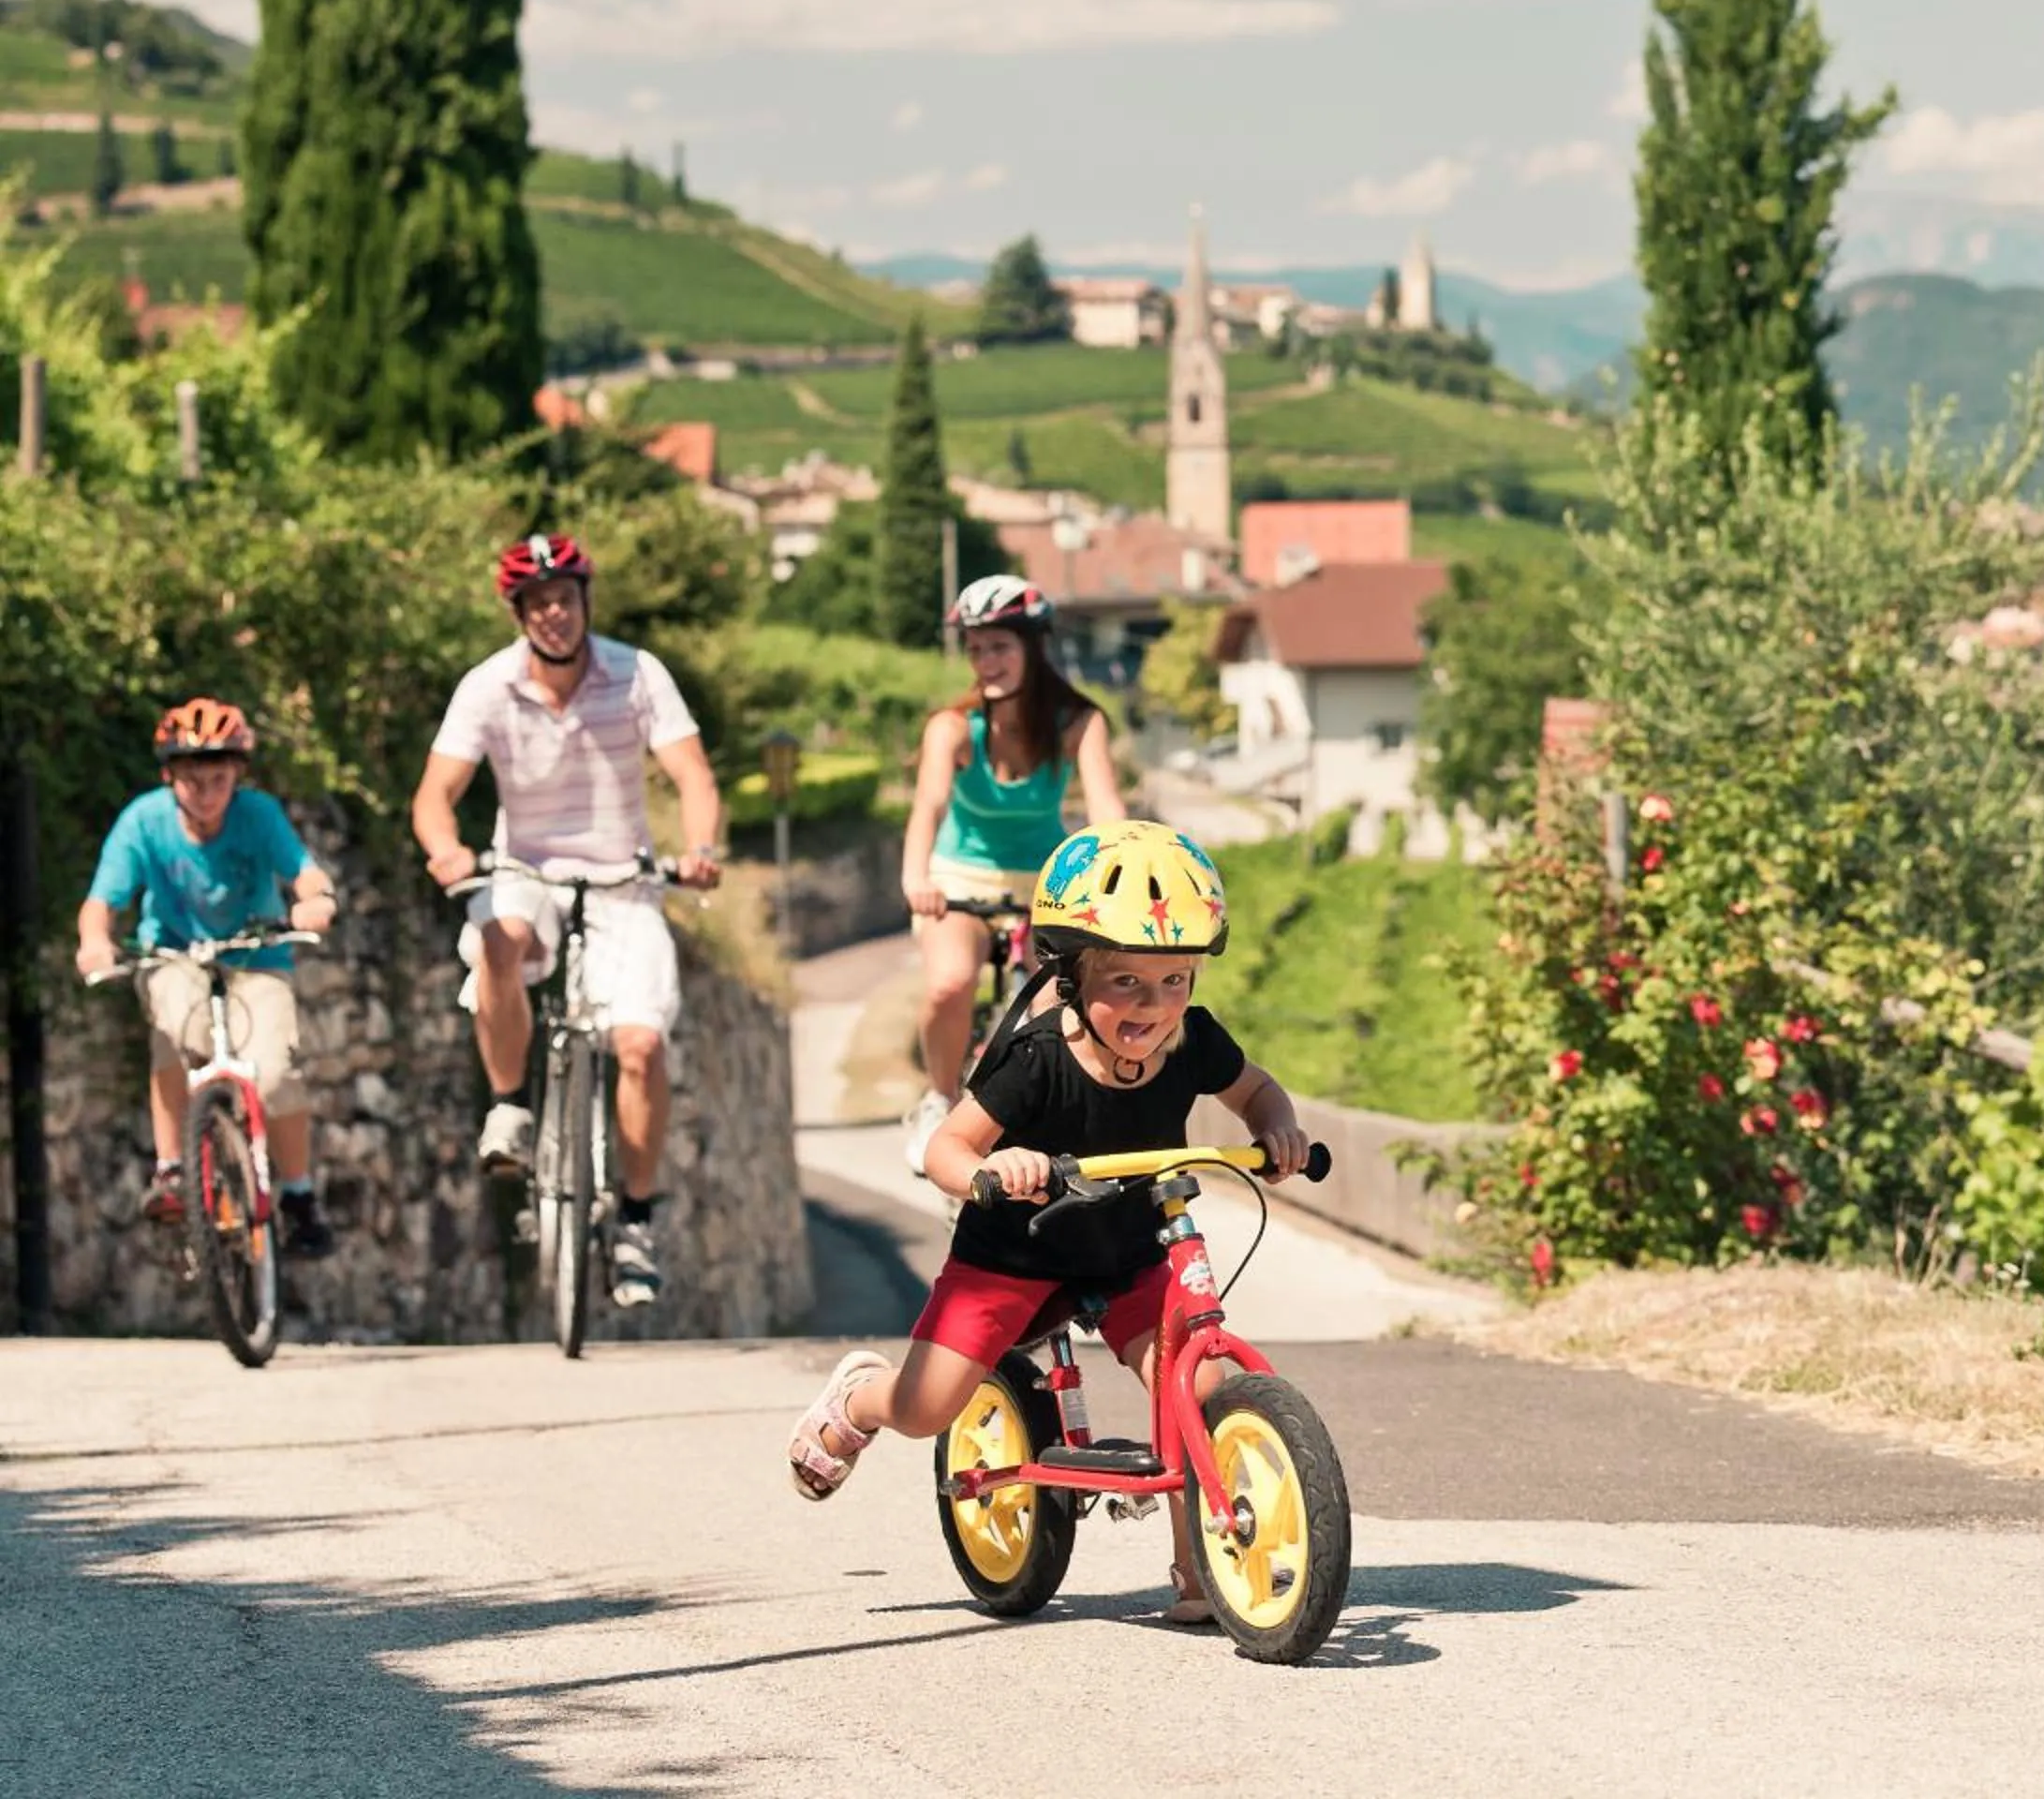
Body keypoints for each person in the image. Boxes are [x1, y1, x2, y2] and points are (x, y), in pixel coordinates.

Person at [786, 820, 1309, 1625]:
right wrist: (992, 1171)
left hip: (1133, 1247)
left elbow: (1258, 1091)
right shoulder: (1036, 1060)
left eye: (1175, 980)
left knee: (1198, 1383)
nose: (1155, 1005)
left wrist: (1278, 1130)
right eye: (1127, 982)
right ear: (1070, 976)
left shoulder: (1193, 1042)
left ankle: (1200, 1565)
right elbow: (945, 1148)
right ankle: (860, 1400)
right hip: (1015, 1253)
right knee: (929, 1408)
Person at [409, 532, 724, 1310]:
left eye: (565, 599)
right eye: (537, 603)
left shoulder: (637, 672)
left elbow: (691, 772)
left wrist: (701, 846)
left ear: (585, 602)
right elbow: (434, 795)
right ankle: (511, 1106)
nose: (554, 613)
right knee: (495, 945)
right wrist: (446, 851)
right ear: (518, 613)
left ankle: (637, 1223)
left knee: (641, 1044)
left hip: (624, 878)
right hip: (526, 873)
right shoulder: (487, 686)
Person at [74, 699, 342, 1257]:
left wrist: (315, 902)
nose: (206, 792)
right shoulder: (142, 822)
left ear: (237, 776)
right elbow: (102, 902)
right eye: (191, 779)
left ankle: (297, 1194)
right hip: (174, 955)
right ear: (169, 777)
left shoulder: (259, 815)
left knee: (276, 1073)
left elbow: (306, 874)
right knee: (173, 1033)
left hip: (256, 957)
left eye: (218, 778)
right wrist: (95, 942)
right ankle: (174, 1169)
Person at [900, 574, 1125, 1109]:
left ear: (1033, 647)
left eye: (1000, 647)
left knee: (1056, 1006)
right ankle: (938, 1100)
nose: (986, 662)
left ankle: (1045, 1111)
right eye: (976, 650)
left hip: (1048, 882)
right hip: (959, 879)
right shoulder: (953, 728)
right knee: (949, 985)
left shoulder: (1079, 721)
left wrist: (1117, 880)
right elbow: (928, 804)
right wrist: (917, 878)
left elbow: (1106, 812)